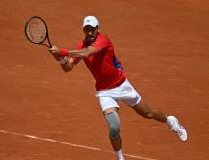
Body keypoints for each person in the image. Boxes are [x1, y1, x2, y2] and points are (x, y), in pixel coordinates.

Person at [48, 16, 187, 160]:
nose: (90, 32)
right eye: (87, 29)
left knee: (148, 113)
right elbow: (68, 68)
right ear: (84, 30)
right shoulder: (80, 46)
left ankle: (170, 121)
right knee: (114, 128)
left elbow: (87, 52)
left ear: (98, 29)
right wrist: (62, 59)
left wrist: (62, 52)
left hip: (122, 85)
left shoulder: (103, 40)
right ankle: (120, 157)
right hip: (105, 92)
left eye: (92, 29)